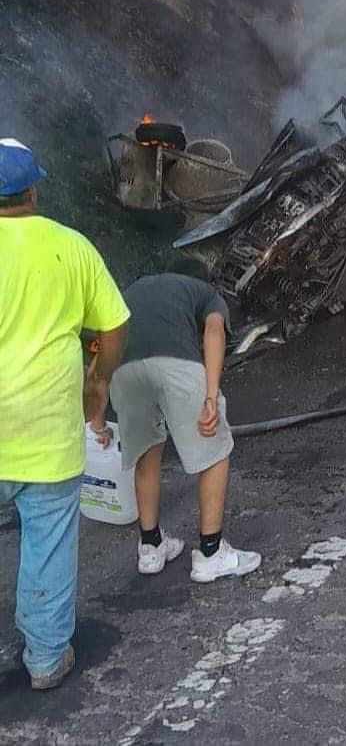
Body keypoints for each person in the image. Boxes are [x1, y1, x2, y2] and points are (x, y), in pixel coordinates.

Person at [0, 139, 129, 690]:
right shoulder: (70, 246)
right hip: (49, 429)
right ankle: (47, 658)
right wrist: (97, 382)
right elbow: (112, 326)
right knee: (47, 543)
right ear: (34, 189)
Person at [110, 257, 261, 582]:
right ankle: (211, 553)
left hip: (123, 370)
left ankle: (150, 548)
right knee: (214, 448)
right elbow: (214, 329)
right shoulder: (205, 292)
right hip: (176, 365)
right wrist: (210, 396)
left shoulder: (134, 289)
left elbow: (101, 339)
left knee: (147, 453)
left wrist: (95, 416)